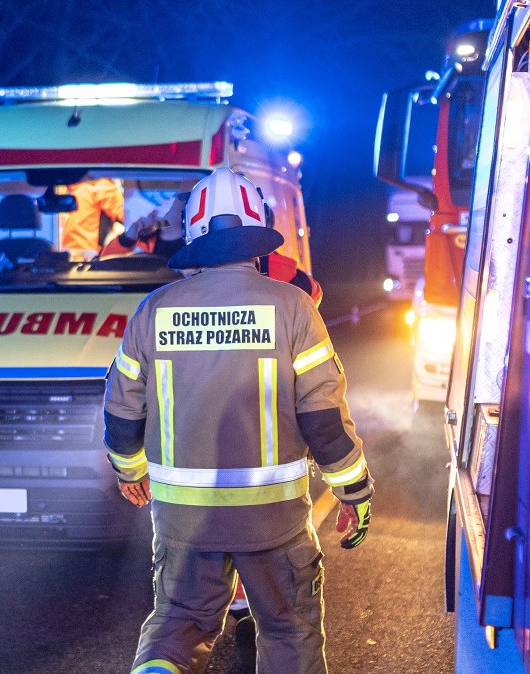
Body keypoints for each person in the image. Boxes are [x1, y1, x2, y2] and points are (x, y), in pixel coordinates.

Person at [103, 168, 373, 674]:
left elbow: (121, 407)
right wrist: (353, 491)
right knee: (288, 631)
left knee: (176, 625)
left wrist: (130, 470)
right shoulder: (293, 306)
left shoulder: (153, 310)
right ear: (257, 228)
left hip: (184, 517)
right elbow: (323, 418)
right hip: (273, 520)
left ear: (194, 233)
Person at [102, 179, 323, 307]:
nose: (171, 209)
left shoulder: (158, 306)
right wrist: (128, 238)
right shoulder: (147, 243)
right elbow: (105, 266)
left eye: (181, 203)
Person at [62, 177, 125, 253]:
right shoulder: (103, 187)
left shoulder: (79, 187)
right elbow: (125, 217)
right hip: (91, 251)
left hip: (71, 249)